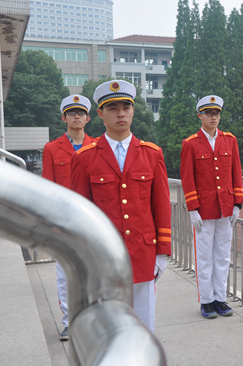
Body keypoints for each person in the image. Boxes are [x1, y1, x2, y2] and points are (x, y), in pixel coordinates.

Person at [70, 80, 171, 333]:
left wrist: (162, 252)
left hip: (143, 252)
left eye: (126, 106)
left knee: (144, 326)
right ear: (101, 114)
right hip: (104, 257)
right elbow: (79, 215)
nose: (121, 113)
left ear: (134, 110)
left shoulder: (152, 153)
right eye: (112, 108)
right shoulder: (84, 158)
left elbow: (161, 206)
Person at [180, 95, 243, 319]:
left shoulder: (230, 140)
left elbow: (236, 173)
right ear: (200, 115)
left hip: (225, 208)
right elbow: (187, 178)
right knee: (205, 256)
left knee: (223, 255)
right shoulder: (191, 143)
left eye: (216, 113)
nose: (213, 117)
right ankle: (206, 300)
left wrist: (237, 203)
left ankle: (220, 298)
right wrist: (192, 209)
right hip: (204, 210)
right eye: (209, 113)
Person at [42, 94, 96, 341]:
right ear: (64, 117)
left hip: (90, 220)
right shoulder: (52, 149)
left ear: (88, 118)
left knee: (91, 271)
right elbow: (48, 188)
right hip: (63, 220)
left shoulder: (98, 146)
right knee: (65, 272)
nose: (77, 117)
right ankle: (69, 321)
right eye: (72, 113)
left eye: (81, 113)